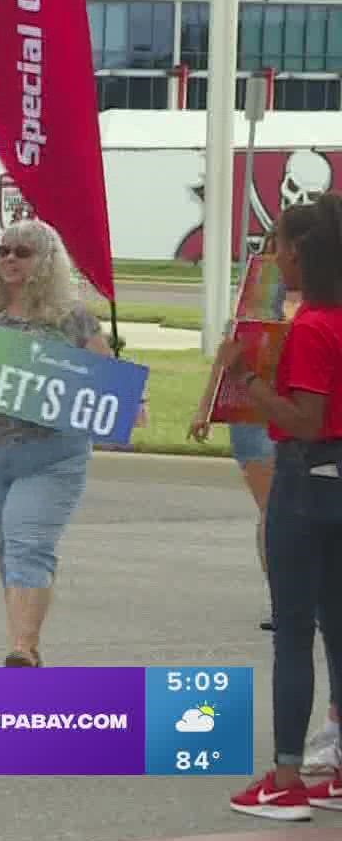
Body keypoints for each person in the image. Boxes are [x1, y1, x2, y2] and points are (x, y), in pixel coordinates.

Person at [0, 218, 116, 668]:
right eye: (4, 251)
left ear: (46, 261)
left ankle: (21, 649)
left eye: (22, 252)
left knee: (29, 542)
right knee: (8, 545)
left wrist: (124, 399)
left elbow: (106, 379)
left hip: (52, 455)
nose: (10, 259)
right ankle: (26, 636)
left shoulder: (74, 318)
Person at [230, 192, 342, 820]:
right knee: (339, 624)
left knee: (294, 631)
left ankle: (286, 777)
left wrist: (247, 380)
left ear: (298, 253)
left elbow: (305, 418)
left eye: (278, 246)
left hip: (305, 483)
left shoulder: (312, 326)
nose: (275, 257)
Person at [190, 214, 313, 633]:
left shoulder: (324, 303)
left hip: (301, 416)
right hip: (251, 415)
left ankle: (306, 595)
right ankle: (284, 599)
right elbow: (229, 354)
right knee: (274, 511)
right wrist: (205, 407)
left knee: (303, 511)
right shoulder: (257, 300)